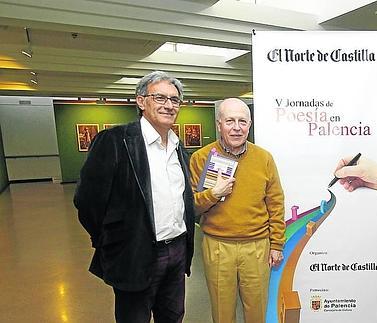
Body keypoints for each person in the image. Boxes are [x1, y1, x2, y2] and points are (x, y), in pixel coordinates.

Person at [74, 71, 196, 323]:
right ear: (141, 101)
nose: (169, 105)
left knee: (173, 317)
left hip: (176, 252)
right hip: (135, 254)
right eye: (160, 97)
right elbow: (87, 202)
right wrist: (112, 241)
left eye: (175, 100)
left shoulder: (178, 148)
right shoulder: (116, 141)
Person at [189, 98, 285, 323]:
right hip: (218, 246)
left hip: (258, 246)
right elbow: (191, 206)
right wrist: (213, 193)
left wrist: (277, 244)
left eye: (242, 121)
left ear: (249, 125)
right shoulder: (201, 158)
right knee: (222, 312)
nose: (236, 127)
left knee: (257, 311)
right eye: (230, 121)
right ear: (219, 123)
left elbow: (276, 203)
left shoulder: (264, 158)